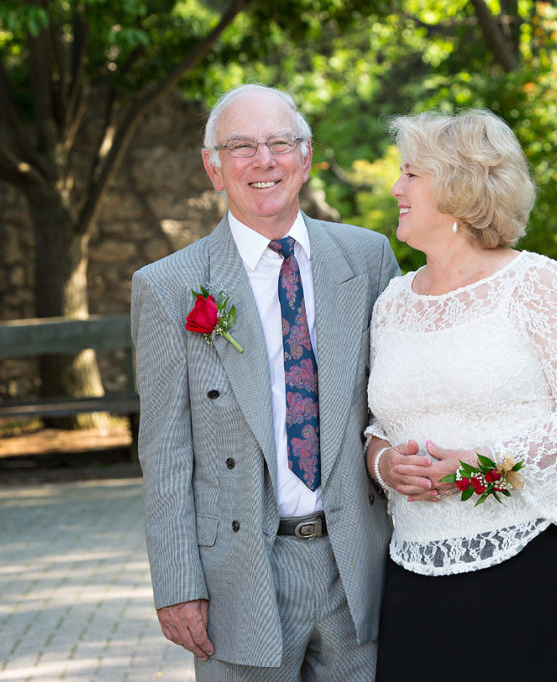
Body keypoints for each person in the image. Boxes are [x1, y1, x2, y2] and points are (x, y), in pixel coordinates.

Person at [131, 84, 400, 681]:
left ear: (305, 157)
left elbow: (400, 402)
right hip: (240, 574)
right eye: (241, 146)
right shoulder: (170, 286)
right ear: (213, 166)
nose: (264, 161)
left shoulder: (369, 258)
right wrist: (177, 583)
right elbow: (167, 452)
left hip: (358, 563)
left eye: (280, 142)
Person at [364, 109, 557, 681]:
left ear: (458, 186)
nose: (396, 188)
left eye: (410, 174)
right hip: (416, 563)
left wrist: (481, 471)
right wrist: (383, 464)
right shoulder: (392, 300)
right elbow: (379, 423)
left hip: (536, 559)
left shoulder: (535, 284)